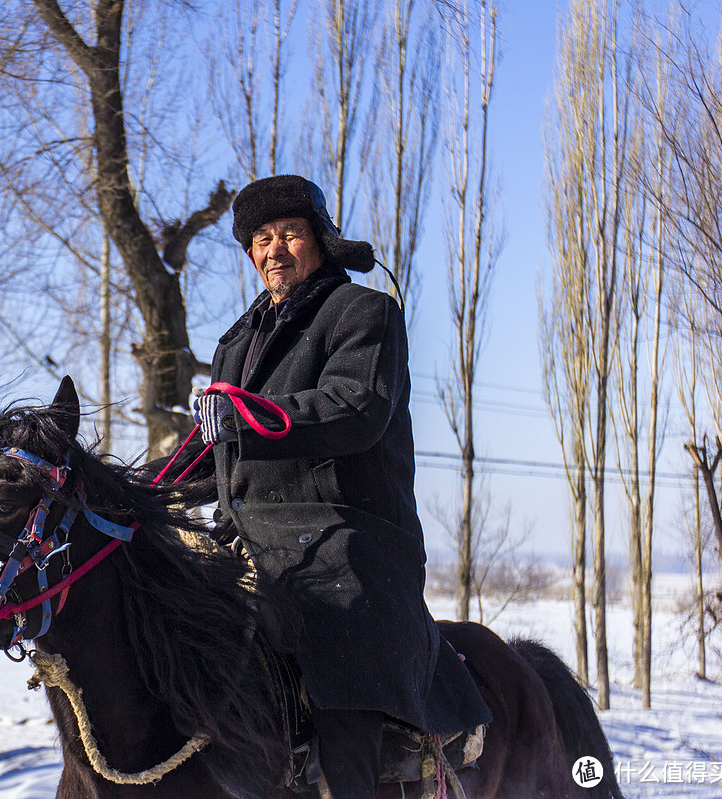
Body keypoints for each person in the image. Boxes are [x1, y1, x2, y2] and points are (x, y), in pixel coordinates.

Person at [188, 175, 492, 799]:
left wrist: (247, 419)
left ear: (320, 240)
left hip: (344, 539)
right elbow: (213, 446)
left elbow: (355, 407)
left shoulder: (364, 313)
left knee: (338, 660)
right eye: (261, 238)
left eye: (290, 234)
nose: (274, 249)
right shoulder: (235, 342)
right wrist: (133, 486)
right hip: (246, 539)